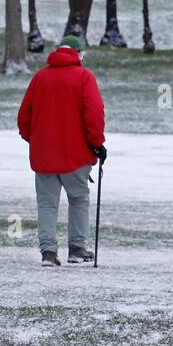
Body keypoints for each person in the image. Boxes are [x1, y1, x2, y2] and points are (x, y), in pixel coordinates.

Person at [17, 35, 107, 266]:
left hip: (44, 154)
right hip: (75, 155)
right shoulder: (84, 78)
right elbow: (94, 115)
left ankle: (48, 252)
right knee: (78, 198)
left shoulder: (40, 78)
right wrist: (97, 143)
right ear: (77, 53)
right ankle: (77, 249)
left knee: (47, 203)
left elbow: (23, 118)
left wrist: (37, 141)